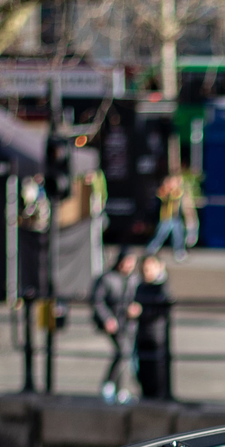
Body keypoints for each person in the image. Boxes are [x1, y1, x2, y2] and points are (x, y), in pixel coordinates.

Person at [89, 248, 140, 401]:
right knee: (123, 351)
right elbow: (97, 301)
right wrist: (107, 319)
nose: (129, 266)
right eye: (127, 262)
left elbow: (138, 298)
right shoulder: (107, 278)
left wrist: (137, 308)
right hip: (114, 323)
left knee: (126, 355)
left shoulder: (134, 279)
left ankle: (118, 388)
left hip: (128, 324)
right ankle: (110, 385)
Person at [131, 252, 174, 399]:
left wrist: (141, 311)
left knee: (158, 375)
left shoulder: (162, 288)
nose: (146, 272)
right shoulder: (140, 286)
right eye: (144, 268)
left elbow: (161, 309)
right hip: (143, 336)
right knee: (144, 373)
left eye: (150, 268)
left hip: (157, 338)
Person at [146, 156, 192, 258]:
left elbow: (177, 195)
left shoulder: (177, 191)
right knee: (160, 235)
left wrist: (177, 186)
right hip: (165, 218)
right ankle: (151, 249)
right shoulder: (163, 191)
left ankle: (179, 251)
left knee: (178, 235)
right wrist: (167, 189)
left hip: (175, 217)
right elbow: (162, 197)